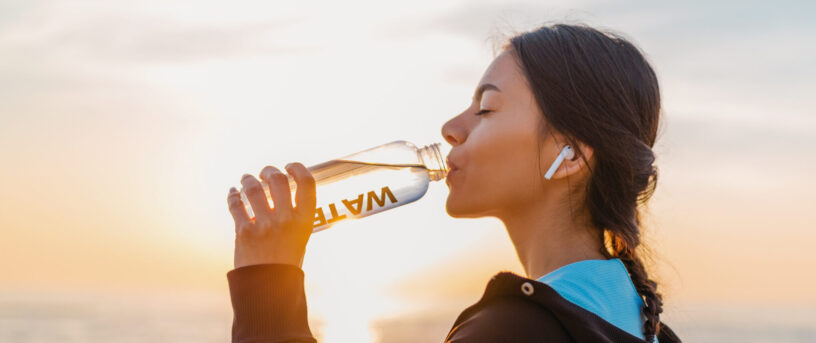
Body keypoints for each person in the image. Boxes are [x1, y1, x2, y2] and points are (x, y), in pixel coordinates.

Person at [225, 23, 681, 343]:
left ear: (569, 157)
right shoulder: (648, 327)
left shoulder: (511, 331)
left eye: (485, 108)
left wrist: (267, 281)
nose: (450, 128)